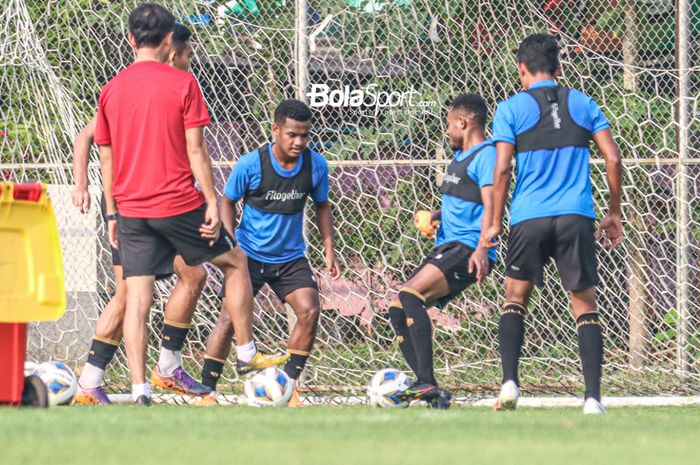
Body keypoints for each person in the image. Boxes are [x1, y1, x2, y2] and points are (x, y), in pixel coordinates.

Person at [95, 4, 283, 405]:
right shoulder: (184, 83)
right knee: (235, 263)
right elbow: (196, 151)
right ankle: (247, 353)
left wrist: (112, 212)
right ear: (168, 41)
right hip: (177, 202)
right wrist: (213, 201)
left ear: (130, 40)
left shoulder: (110, 90)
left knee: (137, 295)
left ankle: (139, 388)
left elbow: (106, 159)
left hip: (130, 208)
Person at [481, 33, 623, 414]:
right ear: (559, 69)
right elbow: (612, 157)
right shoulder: (583, 102)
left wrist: (493, 221)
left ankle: (510, 382)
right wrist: (613, 212)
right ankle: (592, 398)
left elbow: (502, 167)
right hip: (576, 215)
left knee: (515, 298)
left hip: (529, 217)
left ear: (521, 69)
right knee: (585, 307)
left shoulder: (510, 109)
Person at [72, 24, 211, 405]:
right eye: (186, 54)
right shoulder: (138, 90)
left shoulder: (173, 90)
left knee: (191, 275)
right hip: (131, 203)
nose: (188, 62)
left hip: (157, 201)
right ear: (171, 51)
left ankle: (159, 368)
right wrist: (81, 184)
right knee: (131, 292)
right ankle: (97, 379)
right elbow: (86, 138)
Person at [197, 99, 341, 407]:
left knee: (309, 310)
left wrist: (329, 249)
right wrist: (230, 245)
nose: (299, 141)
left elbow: (322, 206)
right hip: (249, 256)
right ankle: (207, 390)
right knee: (227, 318)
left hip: (290, 258)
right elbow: (227, 201)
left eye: (305, 135)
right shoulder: (251, 164)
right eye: (292, 134)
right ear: (275, 130)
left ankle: (287, 387)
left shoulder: (316, 165)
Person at [390, 93, 497, 410]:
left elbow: (493, 206)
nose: (447, 131)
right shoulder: (459, 157)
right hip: (449, 244)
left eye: (449, 125)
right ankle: (432, 391)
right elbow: (467, 201)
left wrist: (482, 249)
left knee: (410, 295)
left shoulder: (487, 156)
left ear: (463, 123)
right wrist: (436, 217)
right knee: (397, 309)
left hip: (468, 248)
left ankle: (426, 383)